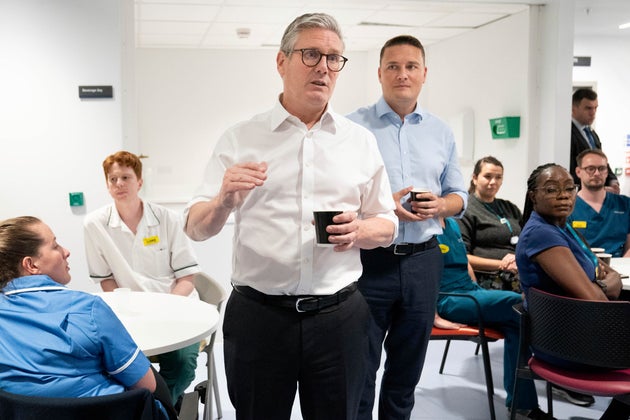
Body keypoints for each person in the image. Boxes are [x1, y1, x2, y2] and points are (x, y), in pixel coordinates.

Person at [184, 13, 398, 420]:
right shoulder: (240, 138)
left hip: (340, 318)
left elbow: (388, 224)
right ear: (281, 63)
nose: (324, 67)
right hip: (259, 320)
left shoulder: (360, 142)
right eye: (311, 54)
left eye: (334, 58)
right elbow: (195, 227)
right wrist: (224, 200)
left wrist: (361, 228)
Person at [347, 35, 467, 419]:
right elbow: (335, 199)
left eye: (411, 66)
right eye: (394, 67)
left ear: (424, 74)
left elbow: (459, 195)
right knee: (360, 369)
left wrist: (441, 205)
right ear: (379, 73)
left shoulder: (441, 131)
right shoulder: (352, 129)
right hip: (368, 263)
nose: (403, 74)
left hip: (423, 263)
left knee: (407, 371)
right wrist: (384, 208)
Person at [0, 216, 175, 420]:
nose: (66, 251)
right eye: (55, 246)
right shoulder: (88, 309)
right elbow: (148, 386)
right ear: (31, 265)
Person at [83, 150, 201, 406]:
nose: (119, 184)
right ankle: (153, 406)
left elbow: (187, 277)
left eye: (125, 177)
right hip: (130, 314)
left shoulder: (167, 218)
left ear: (139, 181)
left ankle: (156, 408)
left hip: (176, 308)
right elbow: (106, 280)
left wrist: (164, 308)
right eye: (112, 179)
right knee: (115, 366)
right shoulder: (94, 224)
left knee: (181, 366)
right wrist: (132, 308)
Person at [516, 163, 628, 419]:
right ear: (533, 196)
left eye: (569, 189)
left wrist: (606, 282)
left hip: (578, 334)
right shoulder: (542, 234)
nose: (564, 195)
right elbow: (597, 299)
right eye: (552, 189)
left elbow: (604, 271)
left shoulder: (562, 227)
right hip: (568, 345)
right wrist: (605, 285)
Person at [436, 217, 550, 420]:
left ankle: (522, 404)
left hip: (470, 292)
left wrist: (478, 291)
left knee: (518, 326)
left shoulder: (452, 224)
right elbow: (418, 276)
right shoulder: (422, 227)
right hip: (449, 299)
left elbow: (465, 264)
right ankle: (557, 367)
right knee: (517, 302)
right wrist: (432, 315)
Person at [458, 156, 522, 291]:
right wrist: (502, 264)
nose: (493, 182)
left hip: (518, 272)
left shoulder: (509, 207)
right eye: (488, 176)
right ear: (475, 178)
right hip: (488, 278)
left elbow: (528, 240)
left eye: (498, 177)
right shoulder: (465, 210)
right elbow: (462, 256)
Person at [568, 149, 630, 258]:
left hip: (621, 268)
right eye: (590, 169)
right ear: (578, 172)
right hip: (582, 269)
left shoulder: (624, 204)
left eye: (601, 168)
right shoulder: (568, 207)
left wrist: (623, 266)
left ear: (607, 172)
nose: (597, 173)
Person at [570, 88, 619, 194]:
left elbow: (601, 160)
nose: (593, 113)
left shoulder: (592, 134)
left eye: (595, 108)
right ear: (573, 108)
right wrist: (597, 187)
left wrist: (612, 181)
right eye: (588, 108)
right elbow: (570, 170)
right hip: (580, 195)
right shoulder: (567, 133)